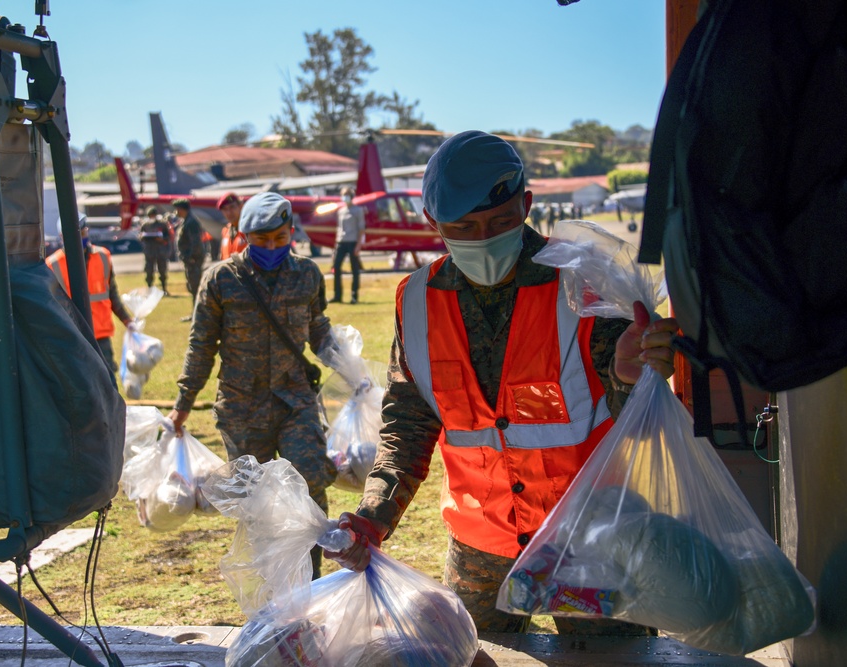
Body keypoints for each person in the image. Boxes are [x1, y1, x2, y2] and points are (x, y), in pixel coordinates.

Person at [324, 131, 680, 634]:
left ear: (527, 204)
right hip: (480, 545)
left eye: (501, 221)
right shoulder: (417, 301)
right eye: (463, 227)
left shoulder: (585, 283)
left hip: (591, 541)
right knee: (472, 654)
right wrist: (374, 513)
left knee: (607, 661)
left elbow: (638, 425)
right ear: (433, 223)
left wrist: (628, 375)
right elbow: (409, 422)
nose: (483, 239)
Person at [168, 192, 337, 579]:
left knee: (309, 487)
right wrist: (183, 402)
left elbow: (318, 328)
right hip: (243, 407)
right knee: (258, 504)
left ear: (291, 232)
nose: (272, 247)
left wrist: (350, 367)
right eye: (262, 240)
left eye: (280, 238)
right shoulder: (221, 280)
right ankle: (274, 593)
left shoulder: (307, 274)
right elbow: (201, 346)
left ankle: (310, 584)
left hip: (296, 400)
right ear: (244, 235)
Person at [46, 216, 135, 372]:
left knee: (108, 379)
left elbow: (111, 293)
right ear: (62, 236)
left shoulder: (103, 256)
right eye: (76, 233)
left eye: (83, 232)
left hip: (100, 333)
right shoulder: (52, 264)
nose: (81, 237)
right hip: (72, 335)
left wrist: (127, 320)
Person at [330, 186, 366, 304]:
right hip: (341, 242)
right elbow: (339, 228)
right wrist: (335, 247)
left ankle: (354, 296)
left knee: (354, 269)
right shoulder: (340, 211)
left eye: (347, 195)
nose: (345, 197)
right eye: (343, 195)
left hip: (352, 242)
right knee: (336, 267)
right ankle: (337, 295)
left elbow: (361, 229)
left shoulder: (358, 210)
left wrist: (358, 245)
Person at [173, 198, 206, 320]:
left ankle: (199, 314)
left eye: (177, 209)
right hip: (190, 261)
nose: (176, 211)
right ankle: (195, 313)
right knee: (192, 287)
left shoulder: (191, 222)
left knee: (196, 287)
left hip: (193, 261)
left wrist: (192, 257)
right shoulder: (187, 221)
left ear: (182, 209)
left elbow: (196, 242)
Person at [139, 205, 172, 294]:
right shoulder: (145, 225)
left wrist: (162, 239)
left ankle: (164, 289)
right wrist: (143, 237)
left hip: (160, 251)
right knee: (149, 271)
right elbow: (140, 236)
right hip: (149, 251)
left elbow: (168, 236)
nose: (151, 217)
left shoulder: (162, 224)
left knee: (162, 271)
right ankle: (150, 289)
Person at [217, 192, 246, 259]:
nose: (229, 212)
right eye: (225, 209)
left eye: (232, 207)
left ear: (241, 206)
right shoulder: (226, 231)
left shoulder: (249, 230)